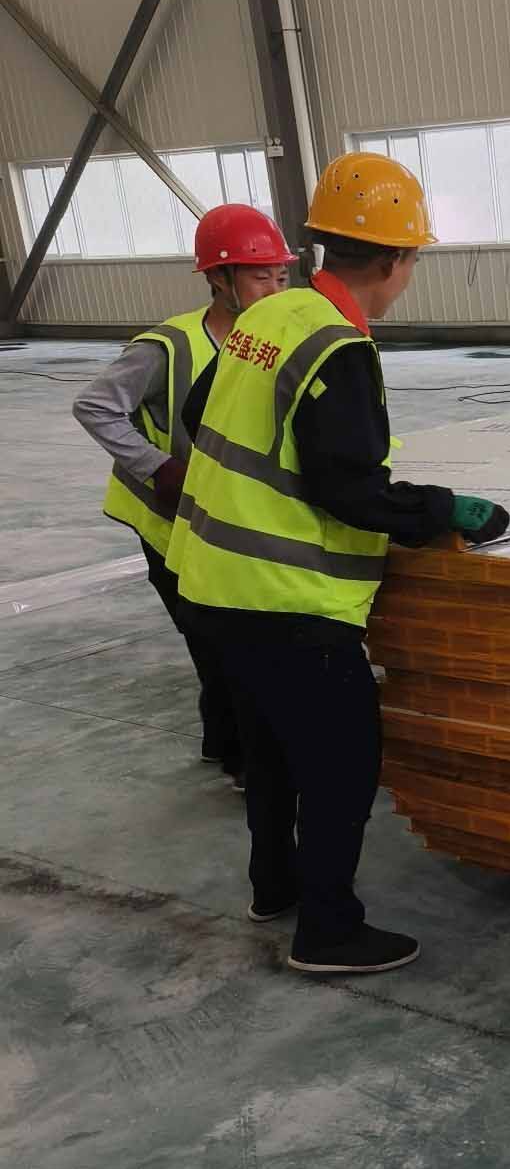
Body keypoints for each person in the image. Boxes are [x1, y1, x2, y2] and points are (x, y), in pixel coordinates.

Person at [170, 152, 510, 977]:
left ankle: (274, 887)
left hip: (208, 582)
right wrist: (440, 510)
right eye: (413, 258)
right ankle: (327, 931)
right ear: (395, 259)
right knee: (341, 761)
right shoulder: (338, 346)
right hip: (284, 598)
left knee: (269, 754)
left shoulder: (271, 316)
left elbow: (195, 409)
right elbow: (347, 488)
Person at [71, 203, 291, 787]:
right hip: (168, 517)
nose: (274, 290)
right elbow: (95, 406)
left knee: (225, 636)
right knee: (216, 639)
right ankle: (244, 762)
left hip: (219, 515)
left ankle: (221, 740)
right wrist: (158, 466)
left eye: (281, 277)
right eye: (260, 276)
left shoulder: (273, 340)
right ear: (219, 278)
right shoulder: (168, 347)